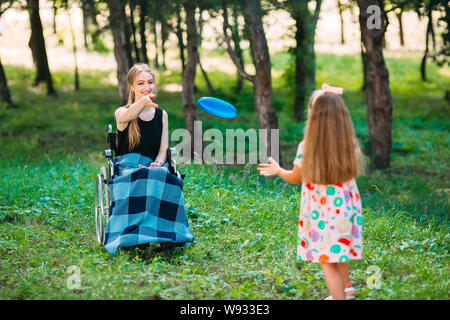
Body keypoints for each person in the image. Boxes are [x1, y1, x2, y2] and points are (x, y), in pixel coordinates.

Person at [257, 83, 364, 300]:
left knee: (327, 262)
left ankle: (339, 297)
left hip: (324, 215)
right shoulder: (349, 144)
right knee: (339, 250)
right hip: (346, 211)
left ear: (314, 120)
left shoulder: (307, 148)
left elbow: (295, 177)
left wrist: (278, 170)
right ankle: (347, 288)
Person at [103, 63, 193, 256]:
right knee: (141, 174)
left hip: (154, 162)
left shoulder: (162, 115)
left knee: (160, 174)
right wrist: (143, 101)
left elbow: (163, 149)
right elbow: (130, 114)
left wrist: (159, 163)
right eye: (141, 83)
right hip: (127, 164)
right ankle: (132, 236)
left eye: (150, 83)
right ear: (132, 87)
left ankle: (168, 234)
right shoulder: (122, 112)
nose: (147, 87)